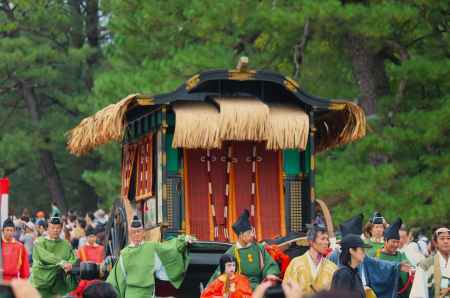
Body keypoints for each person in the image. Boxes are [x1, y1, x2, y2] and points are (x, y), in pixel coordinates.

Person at [106, 214, 193, 297]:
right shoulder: (124, 253)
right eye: (133, 232)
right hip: (131, 294)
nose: (136, 234)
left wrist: (183, 241)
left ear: (143, 233)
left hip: (148, 294)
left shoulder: (152, 247)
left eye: (138, 231)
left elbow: (169, 248)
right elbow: (117, 278)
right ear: (130, 234)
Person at [329, 214, 410, 298]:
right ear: (351, 250)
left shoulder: (354, 272)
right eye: (361, 249)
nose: (364, 252)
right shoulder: (343, 274)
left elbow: (378, 264)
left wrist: (397, 266)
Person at [208, 209, 280, 289]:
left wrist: (270, 274)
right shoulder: (231, 253)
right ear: (241, 235)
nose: (252, 235)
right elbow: (220, 274)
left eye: (252, 232)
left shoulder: (259, 248)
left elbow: (270, 265)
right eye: (249, 233)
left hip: (259, 287)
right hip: (239, 290)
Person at [283, 223, 337, 295]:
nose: (326, 242)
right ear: (311, 242)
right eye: (323, 239)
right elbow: (287, 289)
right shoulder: (296, 264)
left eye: (327, 239)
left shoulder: (332, 268)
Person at [31, 215, 78, 297]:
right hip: (40, 285)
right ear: (48, 228)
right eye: (52, 228)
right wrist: (61, 263)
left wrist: (69, 265)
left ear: (61, 229)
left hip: (58, 285)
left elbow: (72, 258)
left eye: (58, 228)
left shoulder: (66, 244)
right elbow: (45, 257)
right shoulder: (39, 242)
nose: (55, 230)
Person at [372, 218, 413, 298]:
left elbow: (410, 268)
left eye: (397, 242)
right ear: (385, 241)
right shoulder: (377, 255)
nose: (395, 245)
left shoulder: (401, 255)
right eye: (393, 242)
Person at [410, 227, 450, 298]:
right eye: (442, 238)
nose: (446, 241)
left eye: (448, 238)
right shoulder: (425, 265)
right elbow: (418, 293)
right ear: (435, 243)